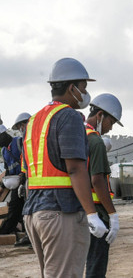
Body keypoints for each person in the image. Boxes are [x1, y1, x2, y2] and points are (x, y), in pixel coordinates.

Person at [22, 57, 108, 277]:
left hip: (34, 212)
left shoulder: (34, 120)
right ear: (72, 88)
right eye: (83, 88)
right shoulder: (68, 116)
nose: (85, 93)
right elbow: (75, 169)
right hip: (62, 212)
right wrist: (92, 213)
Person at [84, 93, 123, 278]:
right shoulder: (96, 140)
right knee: (96, 266)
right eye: (111, 122)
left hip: (80, 209)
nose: (110, 128)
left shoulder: (78, 134)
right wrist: (112, 215)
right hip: (97, 211)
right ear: (100, 115)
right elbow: (98, 180)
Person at [0, 113, 30, 237]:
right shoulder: (4, 151)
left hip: (24, 179)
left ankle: (27, 233)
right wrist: (3, 183)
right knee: (14, 207)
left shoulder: (18, 142)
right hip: (15, 183)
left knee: (26, 207)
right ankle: (7, 230)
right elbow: (7, 169)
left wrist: (24, 174)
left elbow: (27, 158)